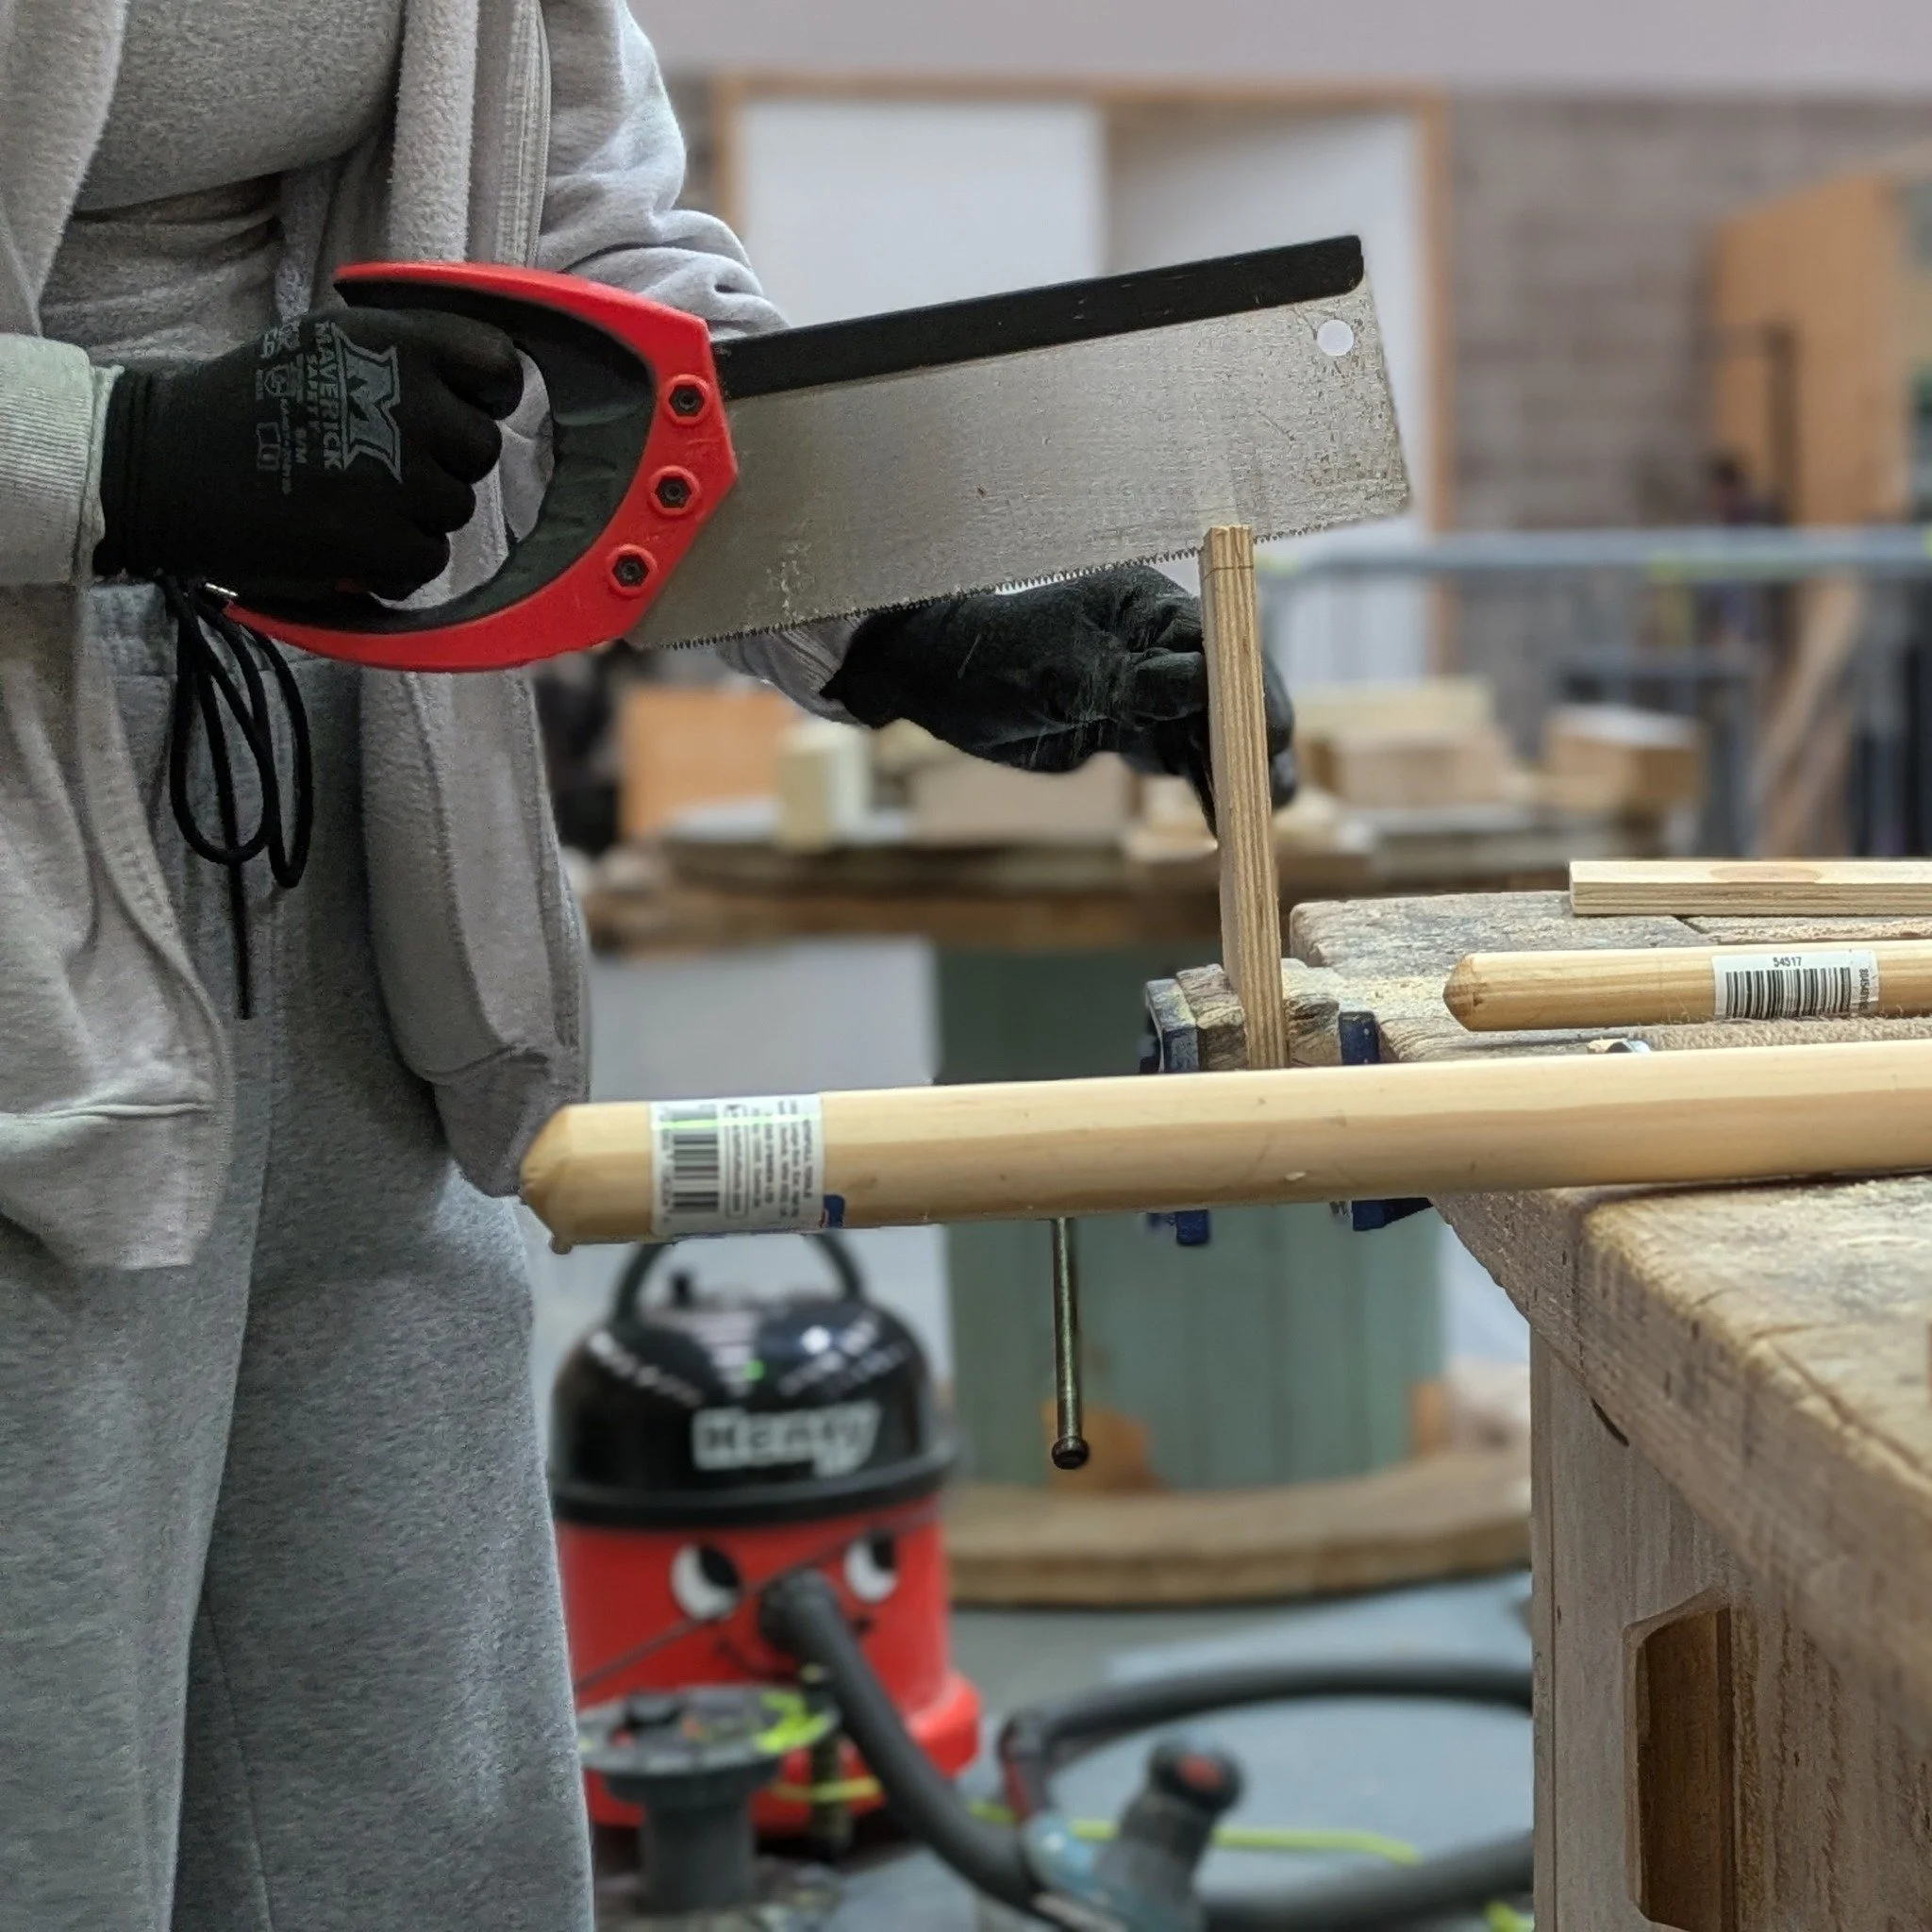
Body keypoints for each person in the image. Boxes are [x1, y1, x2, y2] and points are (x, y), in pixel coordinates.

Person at [0, 3, 1291, 1927]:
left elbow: (596, 277)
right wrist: (116, 445)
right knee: (46, 1783)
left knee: (415, 1795)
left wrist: (905, 600)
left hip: (345, 785)